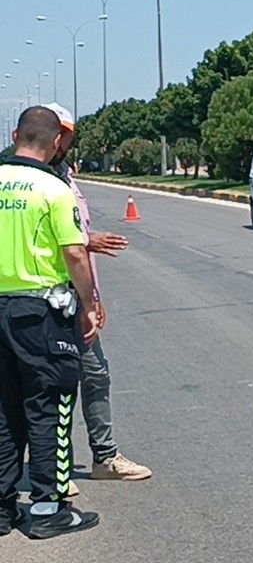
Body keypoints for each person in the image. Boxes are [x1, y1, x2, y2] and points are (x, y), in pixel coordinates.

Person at [0, 106, 103, 539]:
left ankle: (3, 511)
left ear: (16, 134)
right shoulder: (53, 189)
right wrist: (89, 302)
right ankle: (47, 508)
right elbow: (75, 252)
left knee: (4, 414)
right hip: (41, 315)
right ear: (56, 141)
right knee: (49, 412)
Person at [40, 104, 151, 491]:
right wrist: (88, 242)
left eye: (68, 133)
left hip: (76, 293)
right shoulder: (33, 180)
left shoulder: (66, 177)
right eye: (60, 132)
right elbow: (59, 241)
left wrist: (93, 299)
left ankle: (105, 457)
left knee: (95, 375)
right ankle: (53, 472)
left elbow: (71, 238)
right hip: (42, 298)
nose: (64, 140)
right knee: (51, 384)